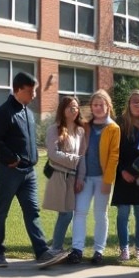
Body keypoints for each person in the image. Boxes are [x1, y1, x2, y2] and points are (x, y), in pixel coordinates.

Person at [0, 72, 66, 268]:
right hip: (8, 171)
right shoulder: (3, 113)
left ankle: (42, 252)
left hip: (29, 172)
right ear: (18, 90)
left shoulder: (28, 113)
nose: (34, 95)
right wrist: (11, 158)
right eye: (30, 91)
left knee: (32, 211)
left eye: (35, 91)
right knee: (1, 211)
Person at [68, 90, 120, 265]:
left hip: (102, 178)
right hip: (84, 177)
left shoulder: (113, 128)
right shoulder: (85, 126)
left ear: (108, 106)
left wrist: (108, 181)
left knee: (100, 214)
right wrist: (78, 177)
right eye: (95, 105)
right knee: (80, 212)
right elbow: (79, 151)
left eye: (101, 105)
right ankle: (77, 249)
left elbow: (114, 156)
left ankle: (99, 251)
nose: (98, 108)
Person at [42, 96, 84, 253]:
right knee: (65, 213)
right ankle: (56, 248)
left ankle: (56, 246)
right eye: (70, 107)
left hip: (73, 177)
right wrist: (75, 160)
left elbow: (83, 155)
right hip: (60, 176)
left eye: (76, 107)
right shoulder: (54, 129)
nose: (74, 110)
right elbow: (53, 154)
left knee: (68, 213)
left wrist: (80, 175)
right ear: (63, 109)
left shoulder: (80, 131)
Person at [111, 89, 139, 262]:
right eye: (134, 101)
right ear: (129, 104)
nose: (137, 104)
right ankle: (124, 248)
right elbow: (114, 151)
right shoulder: (120, 123)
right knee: (123, 214)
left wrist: (138, 170)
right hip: (123, 175)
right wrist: (123, 171)